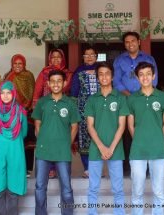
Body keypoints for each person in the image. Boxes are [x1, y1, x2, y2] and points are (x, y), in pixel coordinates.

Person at [32, 70, 81, 215]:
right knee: (40, 187)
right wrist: (43, 141)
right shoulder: (42, 102)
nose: (56, 84)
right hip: (43, 151)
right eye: (52, 81)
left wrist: (67, 143)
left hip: (62, 151)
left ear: (65, 83)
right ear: (47, 83)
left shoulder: (70, 103)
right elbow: (37, 124)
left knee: (66, 188)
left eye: (59, 81)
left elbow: (74, 127)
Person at [85, 62, 129, 215]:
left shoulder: (120, 98)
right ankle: (92, 212)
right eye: (101, 74)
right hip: (96, 149)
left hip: (115, 149)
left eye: (107, 73)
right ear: (97, 77)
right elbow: (90, 126)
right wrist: (102, 147)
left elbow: (122, 126)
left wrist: (110, 148)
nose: (104, 77)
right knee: (93, 186)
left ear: (112, 76)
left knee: (117, 187)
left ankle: (119, 212)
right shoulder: (92, 99)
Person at [127, 62, 164, 215]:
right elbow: (130, 126)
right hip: (137, 152)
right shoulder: (132, 99)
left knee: (158, 191)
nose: (145, 77)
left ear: (153, 76)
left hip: (158, 151)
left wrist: (157, 139)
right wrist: (139, 139)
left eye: (148, 74)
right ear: (137, 78)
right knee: (137, 191)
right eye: (141, 74)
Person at [113, 31, 159, 176]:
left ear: (139, 41)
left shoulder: (148, 58)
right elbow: (116, 82)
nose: (130, 44)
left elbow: (154, 80)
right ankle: (127, 167)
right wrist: (130, 95)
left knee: (145, 131)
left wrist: (142, 94)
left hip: (145, 99)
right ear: (124, 44)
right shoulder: (119, 60)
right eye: (127, 42)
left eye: (133, 41)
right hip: (126, 101)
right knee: (127, 132)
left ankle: (147, 167)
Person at [0, 81, 28, 215]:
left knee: (14, 181)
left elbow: (25, 132)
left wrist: (12, 139)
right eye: (2, 93)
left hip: (15, 149)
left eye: (8, 93)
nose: (5, 96)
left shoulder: (21, 111)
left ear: (13, 93)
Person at [32, 48, 73, 178]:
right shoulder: (44, 73)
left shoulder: (68, 73)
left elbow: (68, 88)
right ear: (49, 59)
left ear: (63, 59)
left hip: (63, 109)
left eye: (58, 57)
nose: (56, 59)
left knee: (61, 137)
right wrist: (36, 105)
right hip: (46, 108)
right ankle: (49, 168)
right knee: (47, 136)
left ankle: (59, 168)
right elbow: (37, 89)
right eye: (53, 57)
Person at [4, 54, 36, 177]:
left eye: (20, 63)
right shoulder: (8, 76)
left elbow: (32, 93)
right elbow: (5, 93)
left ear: (24, 64)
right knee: (14, 140)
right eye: (15, 64)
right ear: (12, 64)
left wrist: (24, 108)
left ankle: (27, 169)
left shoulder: (29, 76)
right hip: (11, 113)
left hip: (27, 113)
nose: (17, 66)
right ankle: (14, 167)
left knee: (27, 140)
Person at [71, 47, 99, 178]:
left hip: (100, 109)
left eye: (92, 55)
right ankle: (87, 168)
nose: (89, 57)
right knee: (84, 139)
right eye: (86, 55)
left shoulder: (102, 70)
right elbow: (74, 92)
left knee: (99, 137)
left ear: (96, 56)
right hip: (83, 109)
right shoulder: (78, 71)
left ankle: (97, 168)